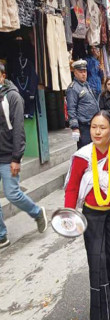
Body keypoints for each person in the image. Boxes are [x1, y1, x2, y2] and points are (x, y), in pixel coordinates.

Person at [64, 110, 110, 319]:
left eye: (102, 127)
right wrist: (69, 213)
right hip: (92, 217)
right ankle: (100, 313)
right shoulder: (82, 156)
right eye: (94, 127)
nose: (97, 132)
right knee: (97, 262)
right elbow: (72, 188)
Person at [0, 64, 48, 248]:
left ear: (3, 76)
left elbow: (19, 128)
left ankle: (36, 212)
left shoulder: (13, 97)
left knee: (12, 194)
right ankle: (2, 236)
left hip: (7, 156)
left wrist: (16, 158)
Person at [67, 60, 100, 149]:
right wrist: (75, 127)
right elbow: (71, 109)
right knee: (85, 151)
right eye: (80, 72)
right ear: (75, 73)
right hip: (83, 126)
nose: (83, 74)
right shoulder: (73, 88)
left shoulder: (86, 84)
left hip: (92, 124)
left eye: (84, 71)